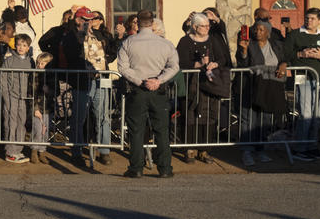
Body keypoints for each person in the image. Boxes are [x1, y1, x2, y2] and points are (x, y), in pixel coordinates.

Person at [46, 6, 115, 165]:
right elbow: (74, 58)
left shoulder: (94, 35)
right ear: (78, 20)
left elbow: (105, 55)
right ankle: (77, 152)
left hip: (98, 79)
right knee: (79, 118)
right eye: (85, 19)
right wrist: (88, 68)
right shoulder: (71, 36)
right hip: (81, 81)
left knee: (102, 115)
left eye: (90, 19)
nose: (89, 22)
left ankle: (103, 150)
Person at [117, 10, 181, 178]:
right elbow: (174, 66)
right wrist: (158, 80)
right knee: (161, 130)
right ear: (152, 23)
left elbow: (122, 68)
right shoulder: (165, 44)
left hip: (137, 90)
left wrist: (140, 81)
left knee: (136, 130)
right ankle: (165, 168)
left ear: (137, 22)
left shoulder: (128, 42)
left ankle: (136, 168)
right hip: (158, 91)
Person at [176, 12, 233, 163]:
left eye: (208, 25)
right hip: (191, 86)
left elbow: (223, 58)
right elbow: (179, 62)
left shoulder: (213, 40)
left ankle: (205, 150)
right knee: (190, 116)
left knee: (209, 116)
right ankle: (189, 149)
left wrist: (215, 64)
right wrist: (197, 65)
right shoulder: (184, 41)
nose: (207, 28)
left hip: (209, 85)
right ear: (194, 26)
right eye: (203, 26)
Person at [235, 20, 287, 166]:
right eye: (256, 30)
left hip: (270, 87)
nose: (258, 32)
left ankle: (260, 149)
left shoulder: (276, 45)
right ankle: (247, 150)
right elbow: (242, 64)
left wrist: (283, 64)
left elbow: (284, 59)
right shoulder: (249, 44)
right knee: (249, 120)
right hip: (251, 87)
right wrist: (244, 51)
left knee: (264, 120)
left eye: (261, 30)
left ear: (268, 33)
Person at [284, 7, 320, 161]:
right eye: (307, 18)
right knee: (306, 114)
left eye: (312, 18)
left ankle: (311, 146)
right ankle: (300, 148)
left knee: (317, 116)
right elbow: (286, 55)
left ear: (319, 20)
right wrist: (301, 54)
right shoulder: (295, 35)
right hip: (303, 79)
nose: (309, 21)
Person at [0, 34, 34, 164]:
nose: (21, 47)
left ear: (28, 47)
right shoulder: (9, 60)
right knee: (10, 123)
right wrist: (6, 95)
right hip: (11, 96)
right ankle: (10, 151)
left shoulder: (30, 61)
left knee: (21, 123)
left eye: (24, 45)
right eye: (19, 44)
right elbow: (2, 79)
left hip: (23, 97)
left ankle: (18, 149)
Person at [30, 52, 55, 165]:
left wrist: (49, 91)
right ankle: (34, 151)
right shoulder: (35, 75)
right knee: (37, 130)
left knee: (45, 131)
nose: (40, 66)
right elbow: (32, 93)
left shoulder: (52, 76)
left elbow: (57, 91)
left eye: (43, 63)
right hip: (38, 107)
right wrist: (35, 108)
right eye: (38, 63)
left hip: (48, 108)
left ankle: (42, 151)